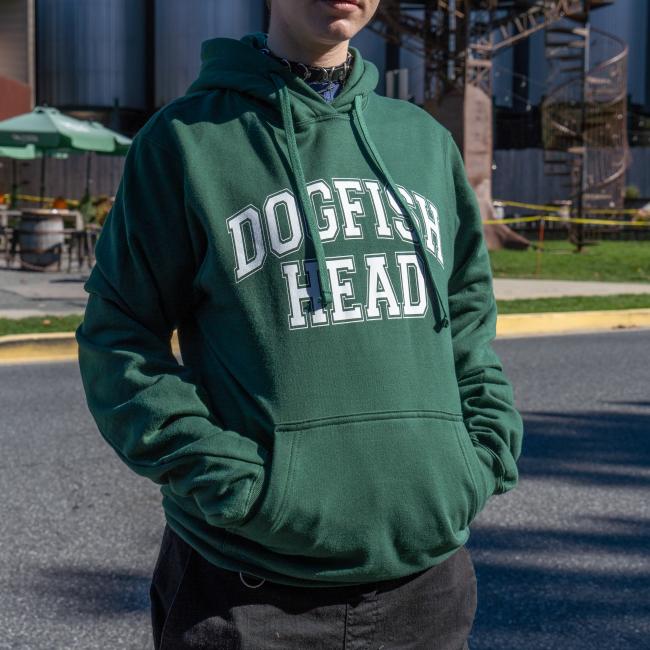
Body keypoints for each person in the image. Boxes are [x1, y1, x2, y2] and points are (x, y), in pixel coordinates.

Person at [75, 0, 524, 647]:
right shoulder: (186, 140)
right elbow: (119, 338)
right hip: (247, 593)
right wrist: (239, 486)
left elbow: (468, 320)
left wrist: (479, 456)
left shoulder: (423, 142)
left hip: (427, 588)